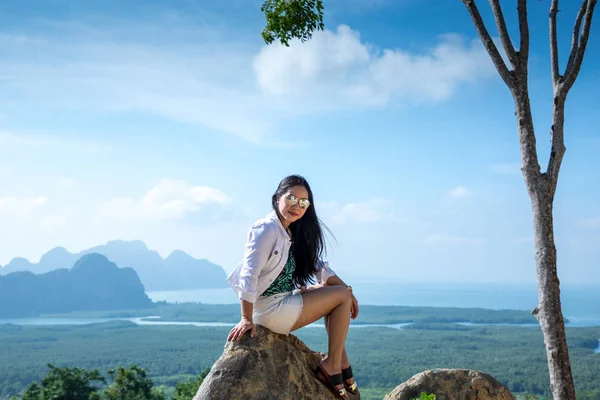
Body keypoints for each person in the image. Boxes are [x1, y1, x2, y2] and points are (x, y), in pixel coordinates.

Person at [226, 174, 360, 400]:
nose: (296, 206)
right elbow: (249, 274)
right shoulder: (267, 228)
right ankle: (333, 365)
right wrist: (245, 318)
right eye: (291, 198)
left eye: (303, 202)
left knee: (339, 294)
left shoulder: (291, 231)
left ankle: (339, 361)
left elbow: (321, 268)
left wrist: (348, 290)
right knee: (341, 296)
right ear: (277, 198)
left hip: (281, 301)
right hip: (269, 311)